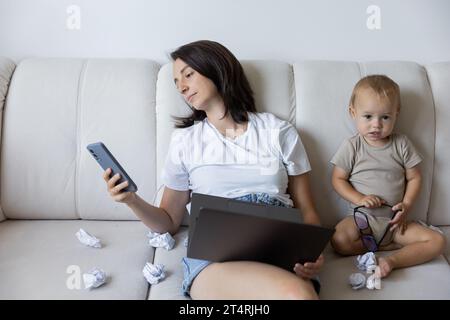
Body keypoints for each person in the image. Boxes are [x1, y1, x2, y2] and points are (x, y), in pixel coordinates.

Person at [103, 40, 324, 299]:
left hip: (279, 246)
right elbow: (168, 222)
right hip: (215, 254)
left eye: (188, 75)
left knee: (299, 295)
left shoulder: (278, 132)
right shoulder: (185, 141)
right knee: (296, 295)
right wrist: (131, 200)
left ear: (217, 69)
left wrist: (314, 252)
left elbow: (308, 211)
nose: (182, 87)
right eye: (176, 82)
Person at [330, 75, 446, 278]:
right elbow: (337, 179)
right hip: (361, 220)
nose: (376, 125)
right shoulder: (352, 146)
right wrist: (360, 199)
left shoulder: (401, 144)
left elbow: (415, 177)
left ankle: (391, 260)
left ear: (396, 114)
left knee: (437, 241)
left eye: (385, 117)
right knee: (338, 239)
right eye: (368, 117)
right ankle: (378, 246)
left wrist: (407, 205)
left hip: (395, 222)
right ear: (353, 113)